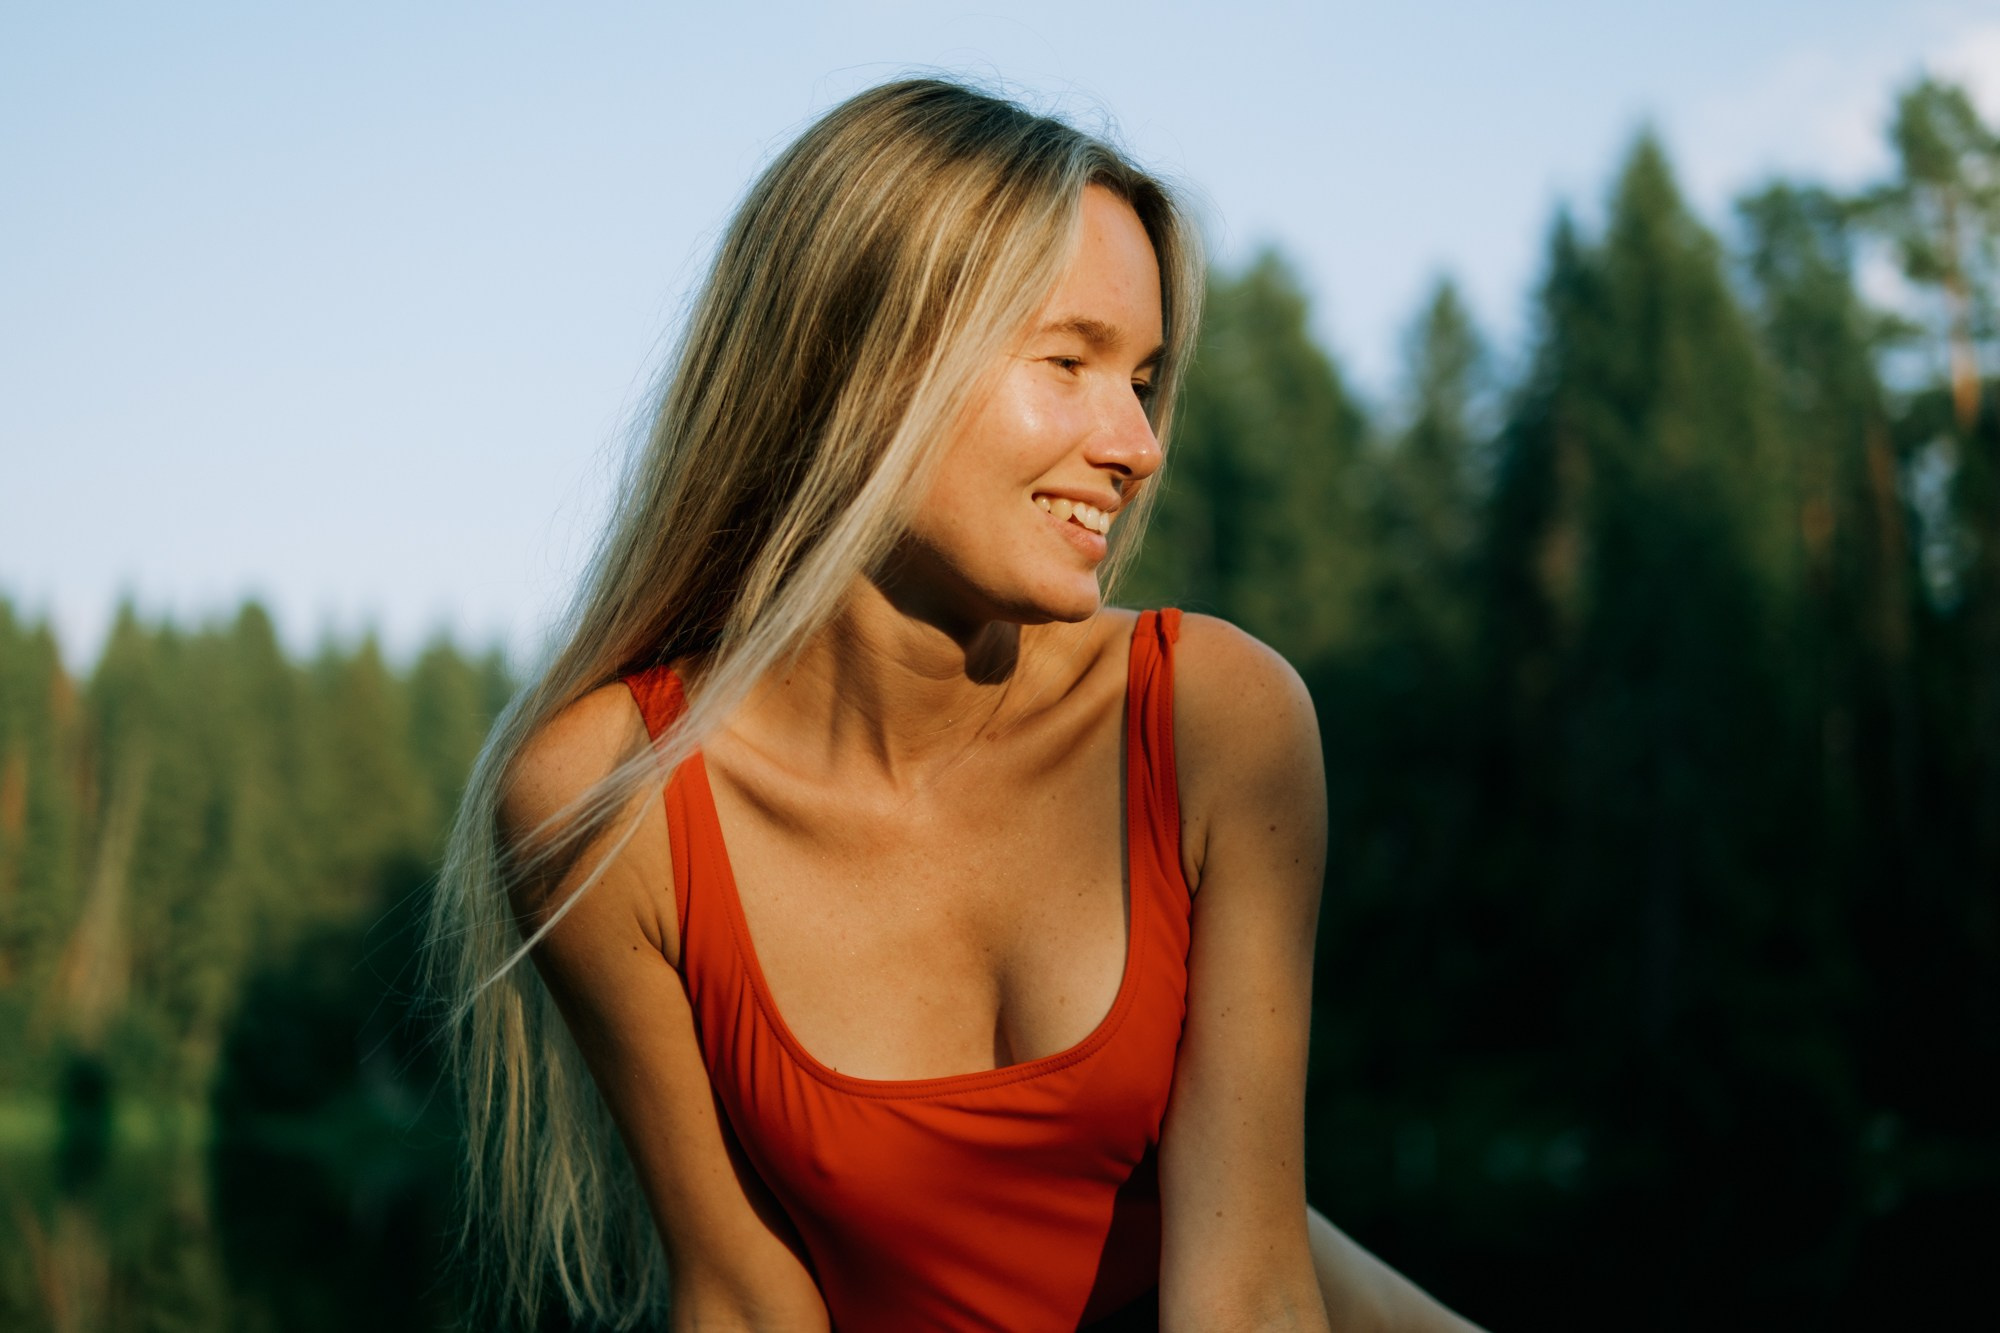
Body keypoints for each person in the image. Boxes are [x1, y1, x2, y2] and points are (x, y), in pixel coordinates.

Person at [426, 77, 1484, 1331]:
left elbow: (1247, 1292)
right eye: (1069, 361)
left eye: (1142, 378)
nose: (1137, 444)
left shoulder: (1210, 720)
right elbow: (745, 1298)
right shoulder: (609, 804)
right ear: (857, 364)